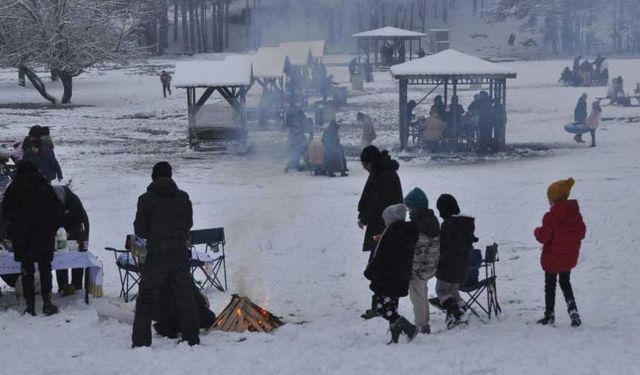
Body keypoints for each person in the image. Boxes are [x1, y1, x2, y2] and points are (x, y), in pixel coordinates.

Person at [131, 162, 199, 347]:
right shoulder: (183, 197)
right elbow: (188, 224)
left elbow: (141, 230)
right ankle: (191, 338)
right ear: (170, 175)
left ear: (153, 176)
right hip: (179, 252)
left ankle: (141, 341)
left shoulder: (146, 199)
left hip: (157, 254)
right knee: (185, 296)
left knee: (145, 298)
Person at [2, 160, 63, 316]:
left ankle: (30, 306)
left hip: (23, 238)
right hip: (44, 236)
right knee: (45, 269)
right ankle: (47, 302)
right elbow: (57, 211)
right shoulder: (45, 187)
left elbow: (5, 213)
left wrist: (12, 231)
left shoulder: (14, 188)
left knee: (27, 271)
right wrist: (51, 228)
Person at [357, 146, 403, 319]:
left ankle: (384, 307)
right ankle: (380, 305)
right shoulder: (380, 172)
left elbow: (379, 202)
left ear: (371, 162)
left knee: (382, 267)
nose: (364, 168)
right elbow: (371, 198)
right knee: (378, 266)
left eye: (364, 164)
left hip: (387, 227)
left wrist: (365, 217)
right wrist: (363, 214)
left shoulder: (385, 175)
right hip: (382, 224)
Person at [534, 178, 585, 327]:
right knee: (565, 282)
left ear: (554, 199)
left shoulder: (550, 217)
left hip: (552, 259)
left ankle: (549, 315)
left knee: (550, 286)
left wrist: (537, 231)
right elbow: (582, 232)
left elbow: (544, 237)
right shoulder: (576, 216)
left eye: (549, 198)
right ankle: (573, 311)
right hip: (569, 257)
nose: (548, 200)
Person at [364, 204, 418, 344]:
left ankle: (408, 328)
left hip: (388, 277)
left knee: (382, 308)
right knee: (391, 306)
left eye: (386, 219)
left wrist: (370, 272)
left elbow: (383, 256)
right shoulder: (404, 232)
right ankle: (395, 334)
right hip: (399, 276)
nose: (384, 221)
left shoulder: (393, 233)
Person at [435, 194, 476, 329]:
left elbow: (444, 247)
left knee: (441, 290)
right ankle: (463, 307)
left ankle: (457, 312)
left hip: (448, 265)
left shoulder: (448, 226)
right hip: (462, 265)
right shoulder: (465, 224)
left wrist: (438, 260)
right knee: (453, 290)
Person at [404, 188, 440, 334]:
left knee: (417, 296)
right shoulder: (430, 220)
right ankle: (424, 321)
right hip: (430, 265)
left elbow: (418, 252)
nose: (407, 210)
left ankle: (421, 325)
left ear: (415, 206)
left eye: (409, 206)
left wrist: (411, 270)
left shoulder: (421, 225)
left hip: (420, 268)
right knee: (422, 293)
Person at [53, 185, 89, 296]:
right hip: (59, 233)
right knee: (61, 258)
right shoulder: (52, 201)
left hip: (76, 233)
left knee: (77, 258)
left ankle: (77, 286)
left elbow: (83, 220)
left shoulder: (73, 200)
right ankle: (63, 286)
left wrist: (84, 239)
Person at [284, 103, 308, 173]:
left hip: (294, 133)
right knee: (300, 149)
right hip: (298, 134)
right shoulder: (299, 111)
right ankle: (297, 164)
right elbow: (304, 120)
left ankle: (294, 164)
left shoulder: (289, 112)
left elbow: (287, 124)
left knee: (294, 150)